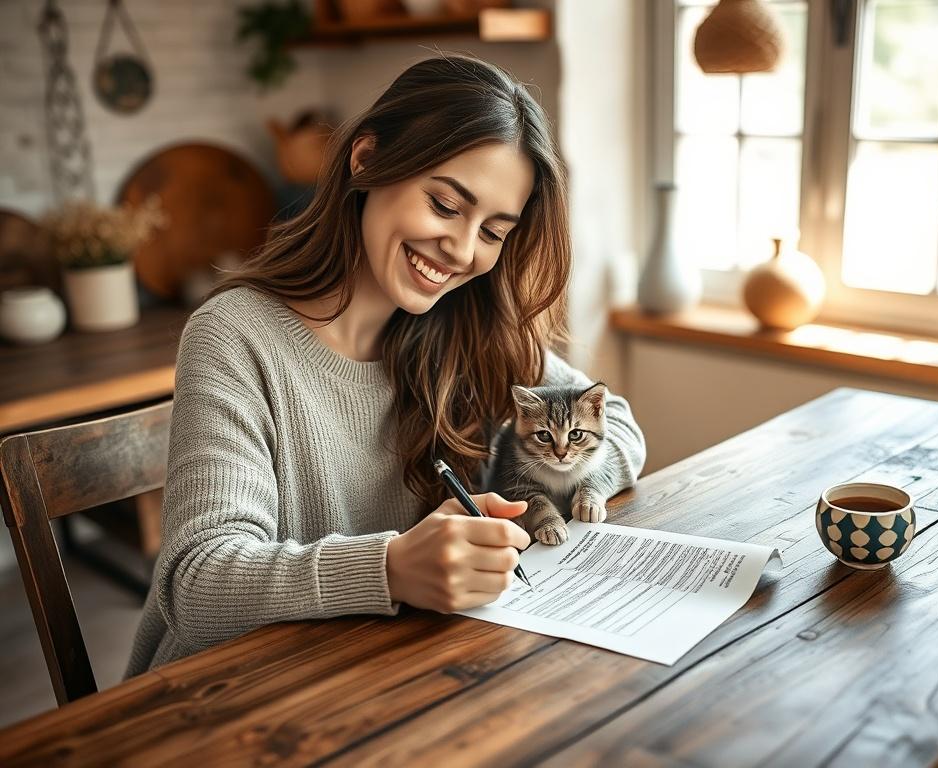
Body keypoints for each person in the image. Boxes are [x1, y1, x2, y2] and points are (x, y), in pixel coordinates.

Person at [125, 54, 645, 677]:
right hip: (222, 697)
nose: (461, 250)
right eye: (446, 205)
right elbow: (198, 581)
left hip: (378, 676)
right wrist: (392, 567)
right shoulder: (237, 336)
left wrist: (585, 480)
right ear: (367, 159)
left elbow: (614, 420)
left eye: (493, 231)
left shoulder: (474, 329)